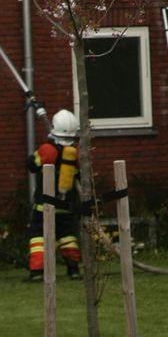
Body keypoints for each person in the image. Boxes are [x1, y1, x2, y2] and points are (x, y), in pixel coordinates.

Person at [27, 109, 82, 281]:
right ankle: (73, 269)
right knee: (67, 235)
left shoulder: (47, 150)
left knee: (38, 236)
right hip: (66, 204)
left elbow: (31, 165)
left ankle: (37, 271)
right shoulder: (76, 153)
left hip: (44, 204)